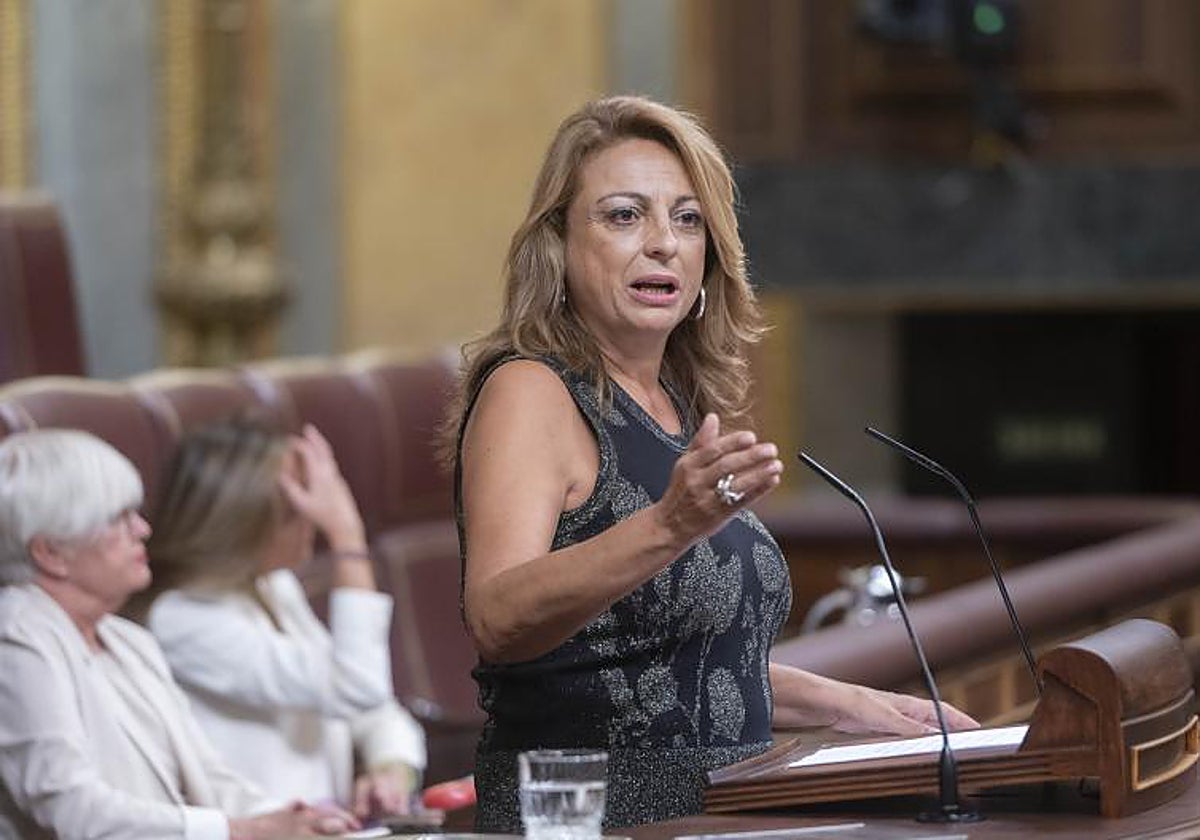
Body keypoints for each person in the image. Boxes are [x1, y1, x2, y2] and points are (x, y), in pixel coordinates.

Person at [447, 95, 978, 830]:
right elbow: (498, 617)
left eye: (687, 219)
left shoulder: (676, 409)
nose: (663, 242)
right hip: (592, 818)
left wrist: (851, 703)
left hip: (723, 809)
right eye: (624, 215)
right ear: (558, 245)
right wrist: (670, 524)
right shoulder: (530, 391)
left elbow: (685, 668)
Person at [0, 428, 357, 840]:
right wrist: (246, 831)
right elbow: (72, 808)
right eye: (117, 519)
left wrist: (296, 819)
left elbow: (209, 778)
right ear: (50, 553)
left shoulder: (129, 641)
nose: (142, 529)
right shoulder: (16, 637)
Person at [128, 416, 428, 824]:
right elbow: (358, 684)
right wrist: (347, 536)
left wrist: (391, 769)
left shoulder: (274, 586)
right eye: (298, 505)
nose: (315, 518)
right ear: (244, 522)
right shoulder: (180, 618)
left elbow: (375, 708)